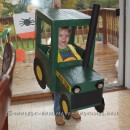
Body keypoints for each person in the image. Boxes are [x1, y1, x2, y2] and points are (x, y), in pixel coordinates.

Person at [54, 26, 81, 126]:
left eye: (66, 36)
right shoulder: (53, 49)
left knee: (73, 94)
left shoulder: (71, 48)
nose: (63, 39)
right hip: (58, 78)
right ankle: (58, 114)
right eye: (60, 35)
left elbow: (77, 61)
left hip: (71, 77)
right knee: (58, 96)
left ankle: (73, 110)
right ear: (55, 35)